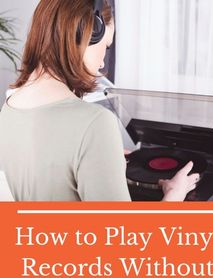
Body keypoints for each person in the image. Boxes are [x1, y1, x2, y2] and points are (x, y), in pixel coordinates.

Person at [0, 0, 199, 201]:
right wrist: (175, 194)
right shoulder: (96, 123)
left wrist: (101, 155)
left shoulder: (10, 106)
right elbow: (123, 232)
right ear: (87, 32)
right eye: (107, 45)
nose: (103, 61)